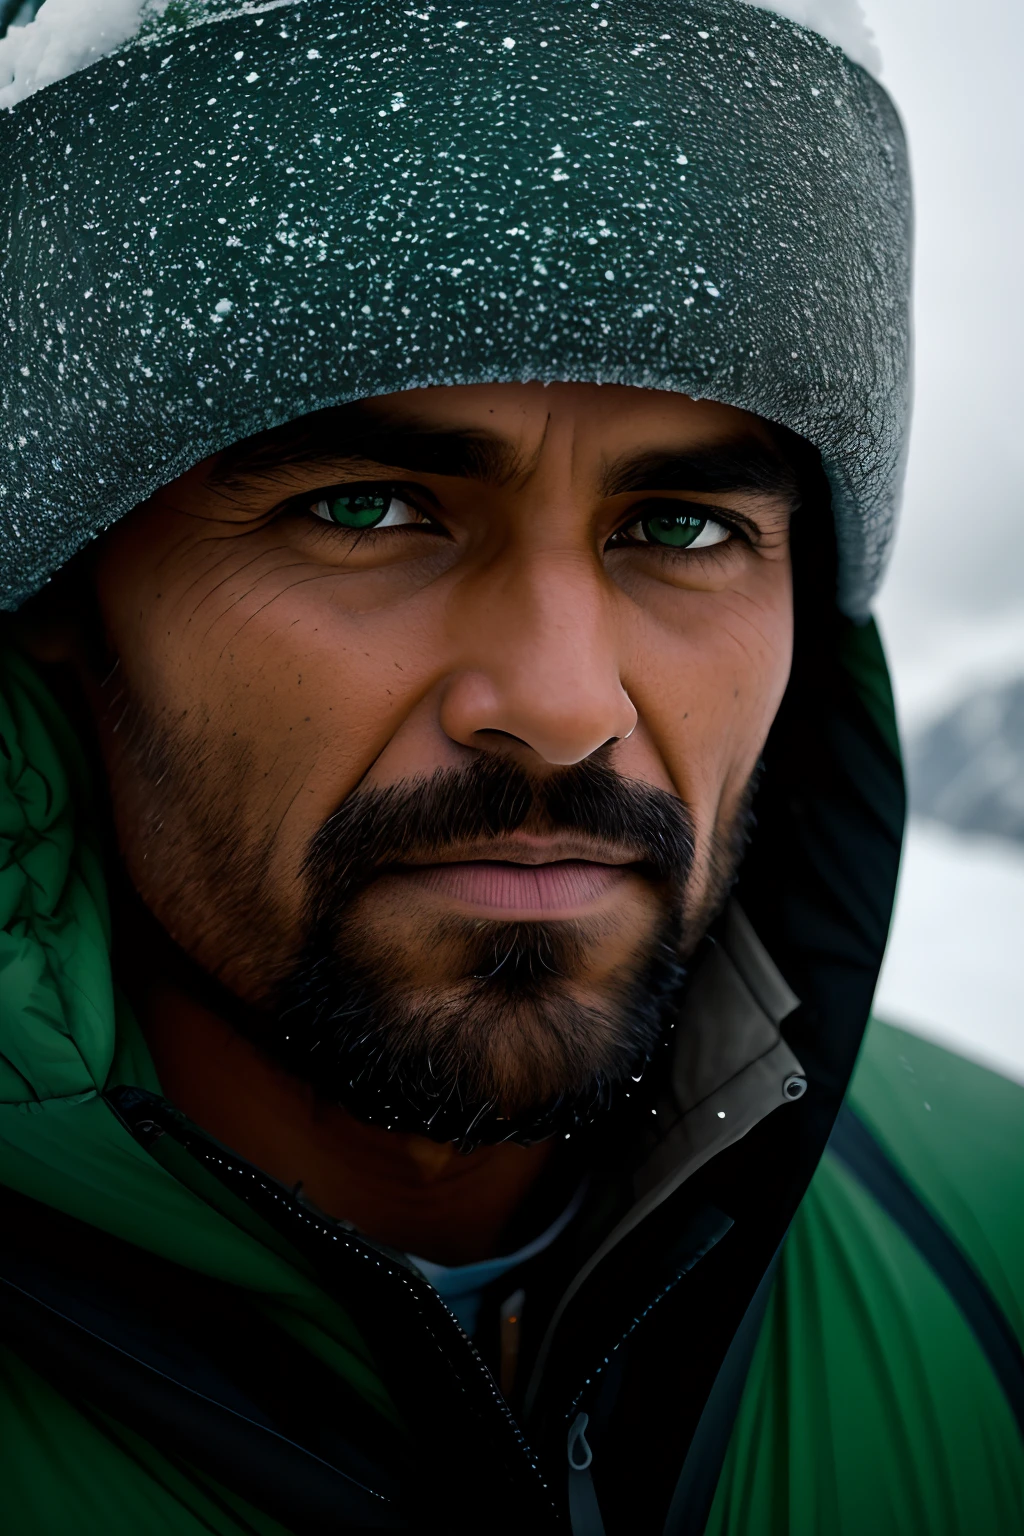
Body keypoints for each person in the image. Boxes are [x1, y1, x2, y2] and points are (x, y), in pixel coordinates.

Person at [0, 2, 1020, 1533]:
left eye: (682, 529)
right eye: (365, 507)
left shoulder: (999, 1229)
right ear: (71, 593)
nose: (559, 705)